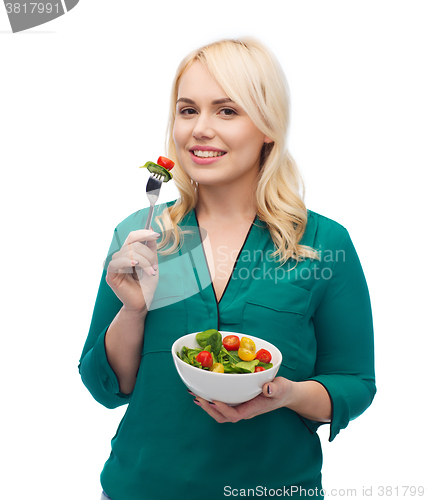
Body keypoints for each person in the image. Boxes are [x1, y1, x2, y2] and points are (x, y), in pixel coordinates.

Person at [79, 37, 376, 500]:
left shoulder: (321, 244)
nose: (200, 129)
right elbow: (106, 386)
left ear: (267, 128)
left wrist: (289, 395)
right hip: (139, 488)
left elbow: (354, 383)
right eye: (187, 110)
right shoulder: (139, 236)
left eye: (227, 111)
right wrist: (133, 312)